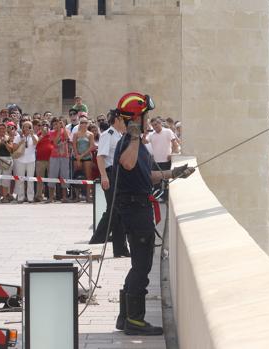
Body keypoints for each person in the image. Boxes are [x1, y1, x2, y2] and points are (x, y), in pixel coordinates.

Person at [111, 92, 195, 336]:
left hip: (138, 208)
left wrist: (173, 174)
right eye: (144, 118)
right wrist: (136, 135)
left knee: (138, 265)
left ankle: (124, 318)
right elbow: (127, 164)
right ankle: (135, 322)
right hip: (136, 211)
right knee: (142, 265)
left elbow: (146, 175)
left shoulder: (136, 144)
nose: (148, 122)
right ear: (136, 119)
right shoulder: (129, 142)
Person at [89, 111, 130, 259]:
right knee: (113, 209)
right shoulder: (108, 134)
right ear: (117, 119)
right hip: (110, 172)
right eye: (123, 120)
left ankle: (120, 249)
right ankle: (97, 239)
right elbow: (100, 156)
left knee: (119, 212)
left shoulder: (119, 135)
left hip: (119, 174)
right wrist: (104, 176)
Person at [12, 121, 38, 203]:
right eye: (25, 127)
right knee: (20, 180)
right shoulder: (18, 136)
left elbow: (36, 143)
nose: (26, 128)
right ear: (22, 128)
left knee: (30, 180)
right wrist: (21, 142)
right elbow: (14, 147)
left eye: (29, 127)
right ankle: (20, 197)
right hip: (20, 160)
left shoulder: (34, 136)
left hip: (31, 160)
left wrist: (32, 134)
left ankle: (30, 197)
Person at [47, 117, 71, 203]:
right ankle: (50, 197)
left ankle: (64, 197)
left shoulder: (65, 131)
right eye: (55, 124)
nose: (57, 125)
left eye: (58, 123)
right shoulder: (51, 132)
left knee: (64, 176)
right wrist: (58, 131)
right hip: (54, 156)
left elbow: (68, 138)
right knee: (52, 176)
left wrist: (63, 127)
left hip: (64, 156)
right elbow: (55, 142)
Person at [72, 117, 95, 202]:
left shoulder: (90, 134)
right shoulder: (76, 134)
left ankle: (88, 196)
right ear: (79, 124)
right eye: (82, 122)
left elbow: (91, 147)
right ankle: (77, 196)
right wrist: (78, 156)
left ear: (87, 124)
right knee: (77, 176)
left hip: (87, 157)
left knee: (88, 177)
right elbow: (74, 145)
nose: (84, 124)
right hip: (77, 157)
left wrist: (82, 156)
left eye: (85, 123)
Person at [34, 120, 53, 202]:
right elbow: (35, 144)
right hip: (40, 160)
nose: (44, 126)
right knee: (39, 179)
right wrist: (41, 135)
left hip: (51, 159)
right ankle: (38, 196)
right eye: (42, 124)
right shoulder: (37, 134)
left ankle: (51, 196)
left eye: (46, 124)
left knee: (51, 179)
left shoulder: (52, 134)